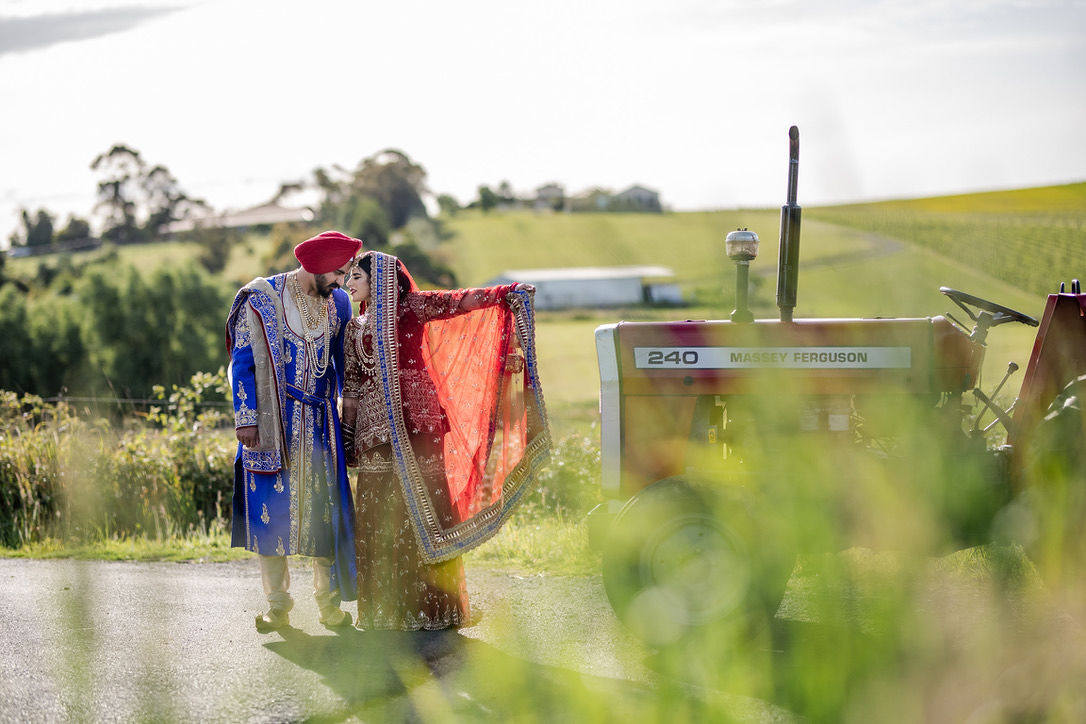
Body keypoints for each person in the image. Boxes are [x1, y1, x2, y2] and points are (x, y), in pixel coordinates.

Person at [341, 251, 550, 630]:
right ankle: (385, 612)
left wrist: (507, 292)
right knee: (376, 512)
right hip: (375, 429)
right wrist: (348, 436)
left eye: (356, 277)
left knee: (424, 510)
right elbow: (352, 385)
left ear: (380, 279)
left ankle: (437, 610)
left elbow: (459, 302)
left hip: (418, 423)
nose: (348, 284)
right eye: (348, 278)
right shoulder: (354, 328)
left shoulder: (413, 307)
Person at [226, 230, 361, 633]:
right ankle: (278, 607)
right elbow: (243, 360)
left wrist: (350, 400)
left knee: (325, 519)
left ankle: (329, 607)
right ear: (316, 266)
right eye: (338, 273)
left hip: (321, 427)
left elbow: (344, 360)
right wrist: (246, 417)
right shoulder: (262, 299)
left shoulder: (337, 305)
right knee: (271, 520)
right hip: (272, 425)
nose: (343, 282)